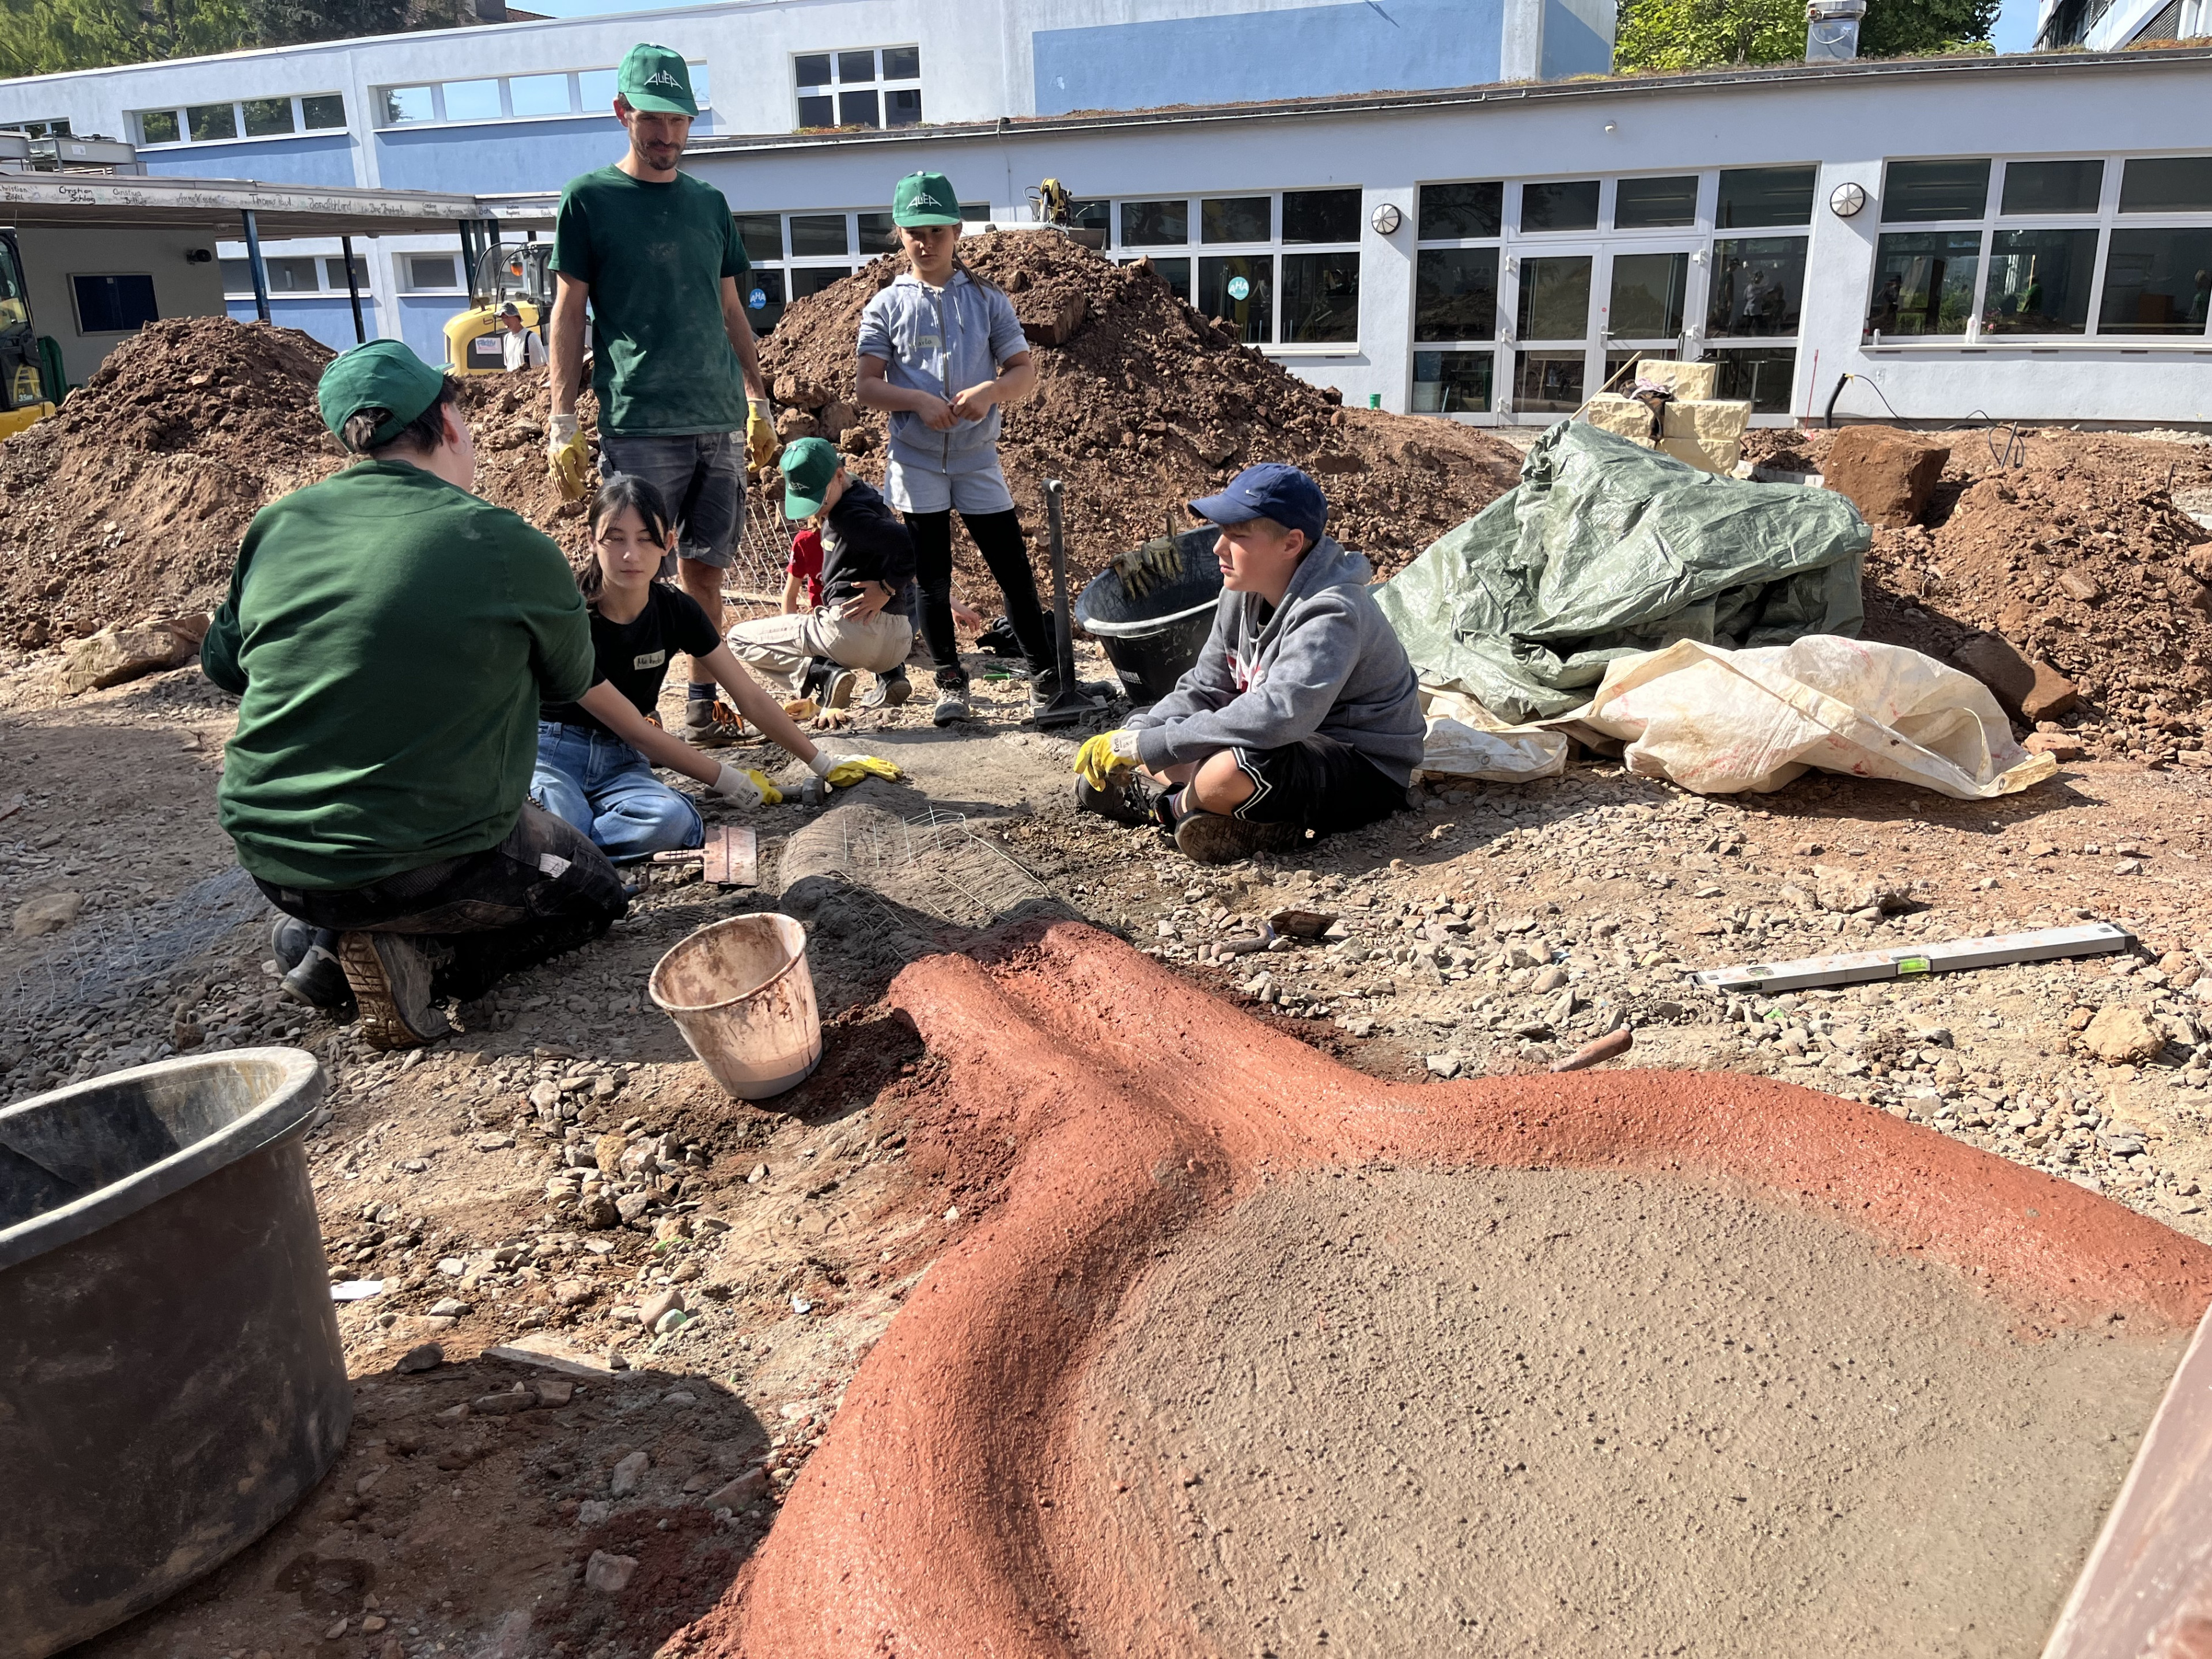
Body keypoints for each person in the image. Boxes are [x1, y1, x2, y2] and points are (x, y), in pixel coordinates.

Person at [202, 339, 627, 1051]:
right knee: (596, 897)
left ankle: (324, 936)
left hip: (275, 860)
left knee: (358, 876)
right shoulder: (504, 544)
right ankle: (421, 956)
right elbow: (568, 679)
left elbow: (226, 666)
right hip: (430, 862)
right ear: (450, 422)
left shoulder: (278, 525)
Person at [546, 42, 777, 751]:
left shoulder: (709, 205)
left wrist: (758, 400)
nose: (666, 135)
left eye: (678, 121)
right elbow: (568, 313)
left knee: (705, 573)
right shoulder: (589, 201)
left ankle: (702, 708)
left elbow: (732, 309)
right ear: (623, 112)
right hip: (640, 421)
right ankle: (616, 721)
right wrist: (561, 419)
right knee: (626, 573)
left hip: (718, 421)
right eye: (652, 119)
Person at [1070, 464, 1422, 866]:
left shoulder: (1332, 612)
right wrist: (1136, 735)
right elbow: (1205, 688)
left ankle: (1165, 807)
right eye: (1222, 532)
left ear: (1291, 544)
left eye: (1237, 536)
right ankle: (1225, 812)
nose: (1218, 548)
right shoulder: (1240, 593)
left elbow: (1280, 715)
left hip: (1361, 768)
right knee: (1152, 725)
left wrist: (1151, 747)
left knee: (1230, 769)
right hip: (1286, 746)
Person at [533, 472, 900, 857]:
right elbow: (636, 729)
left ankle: (564, 848)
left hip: (622, 760)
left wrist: (823, 763)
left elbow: (749, 697)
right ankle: (566, 841)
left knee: (671, 821)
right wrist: (729, 780)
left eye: (645, 538)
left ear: (668, 543)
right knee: (554, 816)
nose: (631, 554)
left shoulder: (677, 610)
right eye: (615, 538)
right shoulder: (568, 614)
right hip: (553, 752)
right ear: (592, 541)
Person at [855, 169, 1108, 727]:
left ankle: (1045, 680)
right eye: (915, 232)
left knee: (1012, 571)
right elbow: (867, 386)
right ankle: (950, 682)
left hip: (976, 460)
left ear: (957, 231)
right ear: (899, 234)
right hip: (917, 462)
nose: (926, 243)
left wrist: (991, 391)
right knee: (932, 579)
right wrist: (918, 402)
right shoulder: (886, 307)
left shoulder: (988, 300)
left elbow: (1024, 373)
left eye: (937, 231)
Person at [726, 437, 915, 711]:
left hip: (849, 634)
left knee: (739, 638)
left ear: (839, 476)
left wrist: (886, 587)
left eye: (819, 498)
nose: (815, 508)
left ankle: (822, 675)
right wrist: (891, 587)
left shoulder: (847, 517)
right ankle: (890, 676)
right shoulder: (869, 497)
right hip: (899, 642)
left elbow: (918, 543)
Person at [498, 301, 547, 372]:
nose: (505, 321)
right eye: (502, 318)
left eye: (507, 317)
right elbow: (508, 366)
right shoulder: (507, 339)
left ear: (517, 317)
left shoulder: (531, 338)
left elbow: (543, 366)